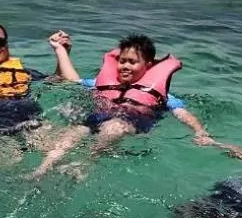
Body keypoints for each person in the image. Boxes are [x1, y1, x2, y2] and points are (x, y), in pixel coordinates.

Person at [29, 31, 208, 180]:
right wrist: (60, 50)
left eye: (132, 62)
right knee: (74, 132)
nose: (125, 66)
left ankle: (87, 163)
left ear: (148, 65)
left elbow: (183, 114)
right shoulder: (103, 83)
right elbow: (72, 80)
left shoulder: (161, 95)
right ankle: (42, 169)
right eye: (122, 61)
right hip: (98, 119)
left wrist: (199, 132)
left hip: (131, 125)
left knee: (113, 127)